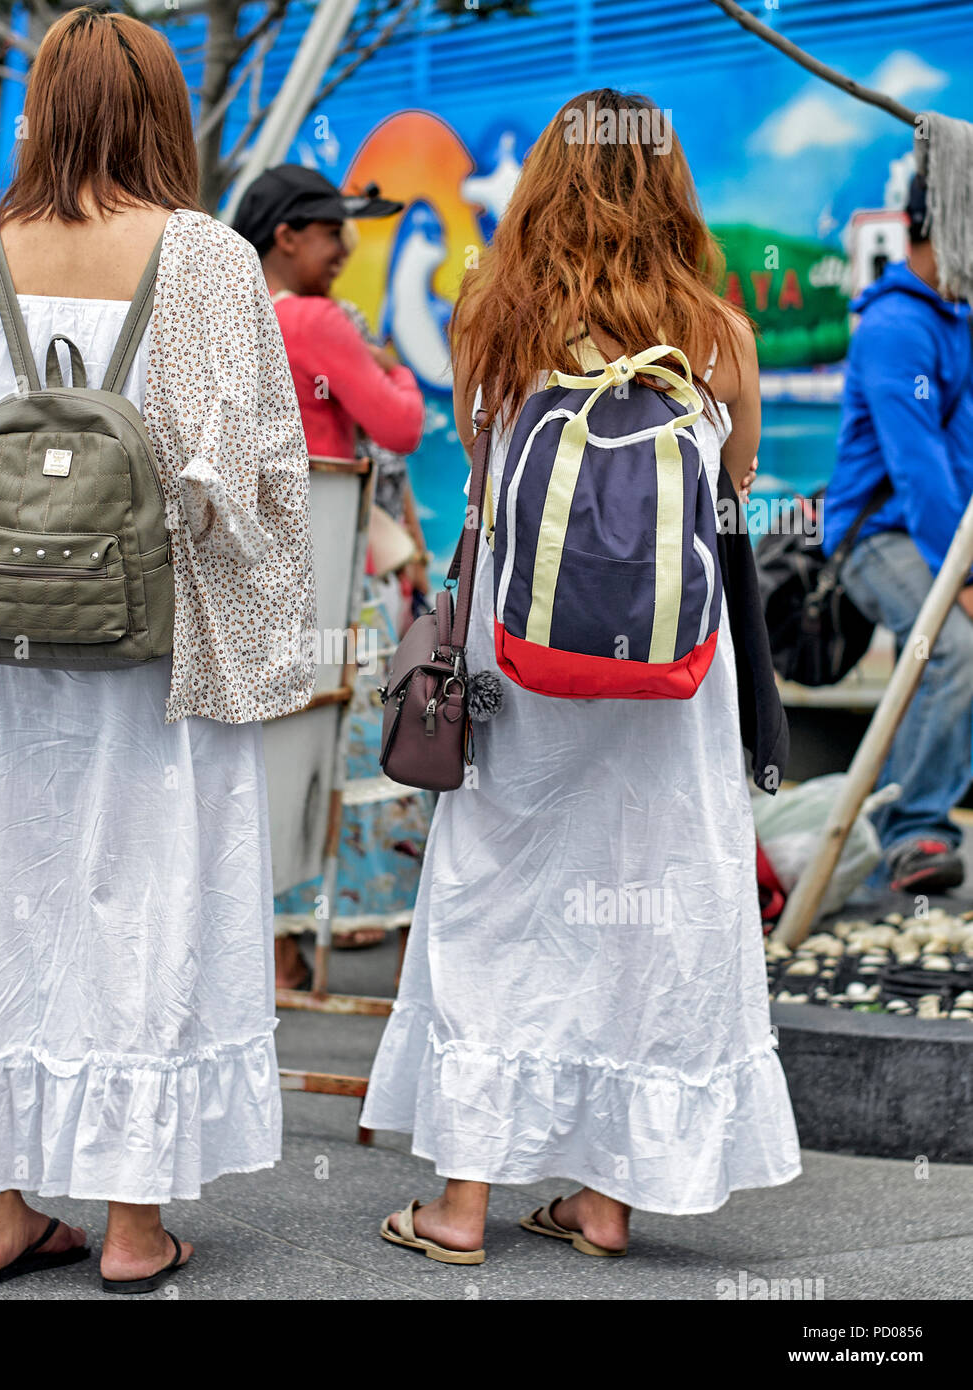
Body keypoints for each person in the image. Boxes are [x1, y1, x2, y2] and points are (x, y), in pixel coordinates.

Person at [0, 8, 315, 1295]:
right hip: (148, 640)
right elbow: (263, 473)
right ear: (164, 112)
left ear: (40, 109)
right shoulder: (213, 259)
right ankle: (130, 1225)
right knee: (147, 899)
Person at [360, 89, 801, 1263]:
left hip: (522, 667)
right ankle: (605, 1201)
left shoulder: (489, 319)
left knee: (496, 903)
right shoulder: (718, 337)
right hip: (673, 676)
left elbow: (480, 468)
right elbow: (731, 499)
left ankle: (460, 1204)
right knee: (652, 907)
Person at [232, 166, 428, 981]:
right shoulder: (313, 320)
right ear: (286, 236)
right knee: (372, 756)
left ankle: (277, 946)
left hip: (257, 580)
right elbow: (399, 425)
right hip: (339, 577)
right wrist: (398, 370)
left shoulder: (224, 317)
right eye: (329, 233)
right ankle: (398, 947)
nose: (344, 249)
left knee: (276, 751)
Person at [823, 172, 973, 895]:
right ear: (931, 227)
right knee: (948, 644)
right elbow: (921, 474)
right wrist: (964, 584)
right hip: (876, 536)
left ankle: (887, 814)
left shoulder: (958, 315)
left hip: (939, 533)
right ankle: (915, 831)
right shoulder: (894, 328)